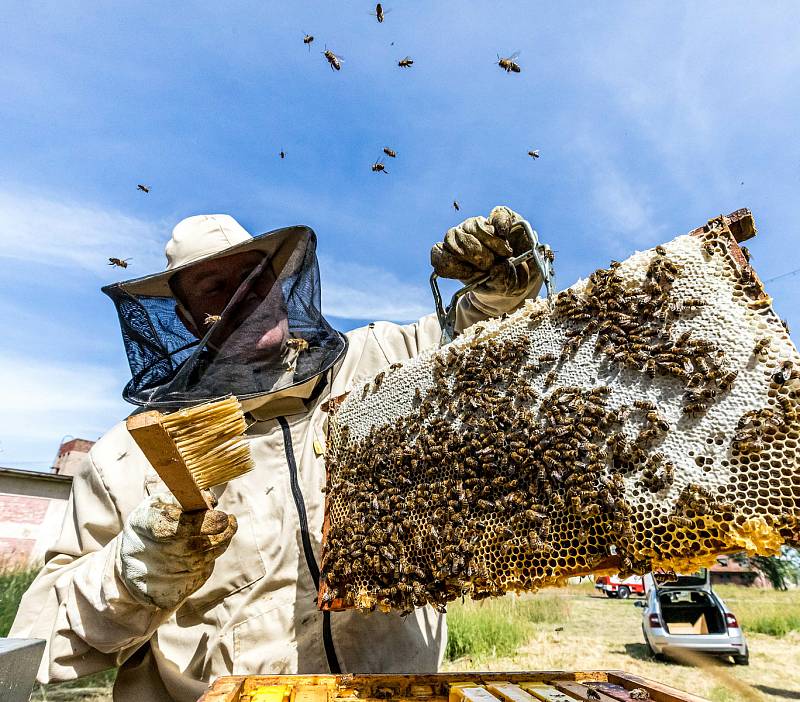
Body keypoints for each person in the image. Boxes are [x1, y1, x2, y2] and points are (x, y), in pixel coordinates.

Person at [11, 207, 544, 701]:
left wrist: (499, 290)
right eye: (215, 286)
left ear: (283, 285)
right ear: (187, 316)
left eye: (253, 279)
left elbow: (479, 340)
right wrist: (137, 569)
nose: (242, 296)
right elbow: (43, 642)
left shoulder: (379, 362)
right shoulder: (133, 455)